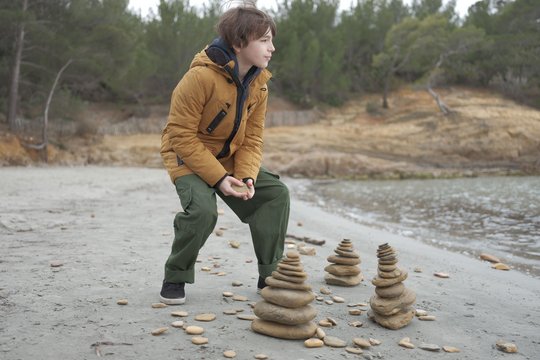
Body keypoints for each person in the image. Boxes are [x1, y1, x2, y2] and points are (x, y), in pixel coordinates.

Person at [159, 5, 290, 305]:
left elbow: (253, 138)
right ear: (240, 42)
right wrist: (219, 180)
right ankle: (175, 276)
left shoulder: (260, 84)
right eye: (265, 40)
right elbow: (180, 136)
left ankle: (269, 276)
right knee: (203, 212)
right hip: (186, 154)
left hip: (228, 156)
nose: (272, 47)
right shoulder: (199, 79)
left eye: (271, 40)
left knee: (275, 195)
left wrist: (245, 176)